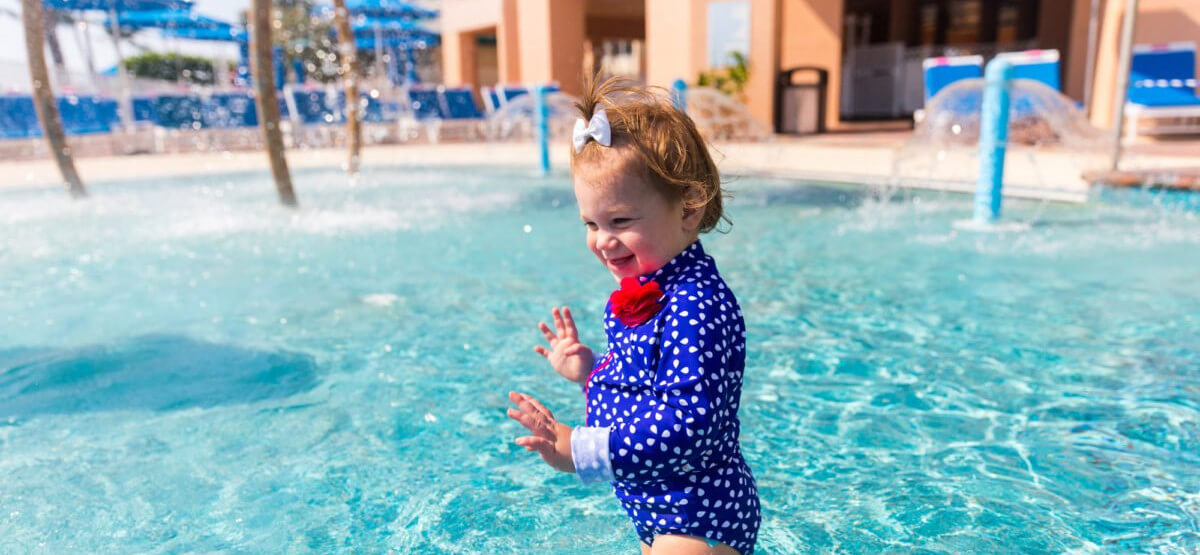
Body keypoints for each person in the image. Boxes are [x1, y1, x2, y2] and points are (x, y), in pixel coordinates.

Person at [506, 75, 760, 555]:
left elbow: (690, 422)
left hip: (697, 509)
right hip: (659, 500)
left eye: (620, 221)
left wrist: (580, 448)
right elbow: (648, 386)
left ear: (688, 209)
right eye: (591, 223)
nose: (602, 239)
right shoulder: (650, 289)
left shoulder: (695, 304)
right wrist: (590, 371)